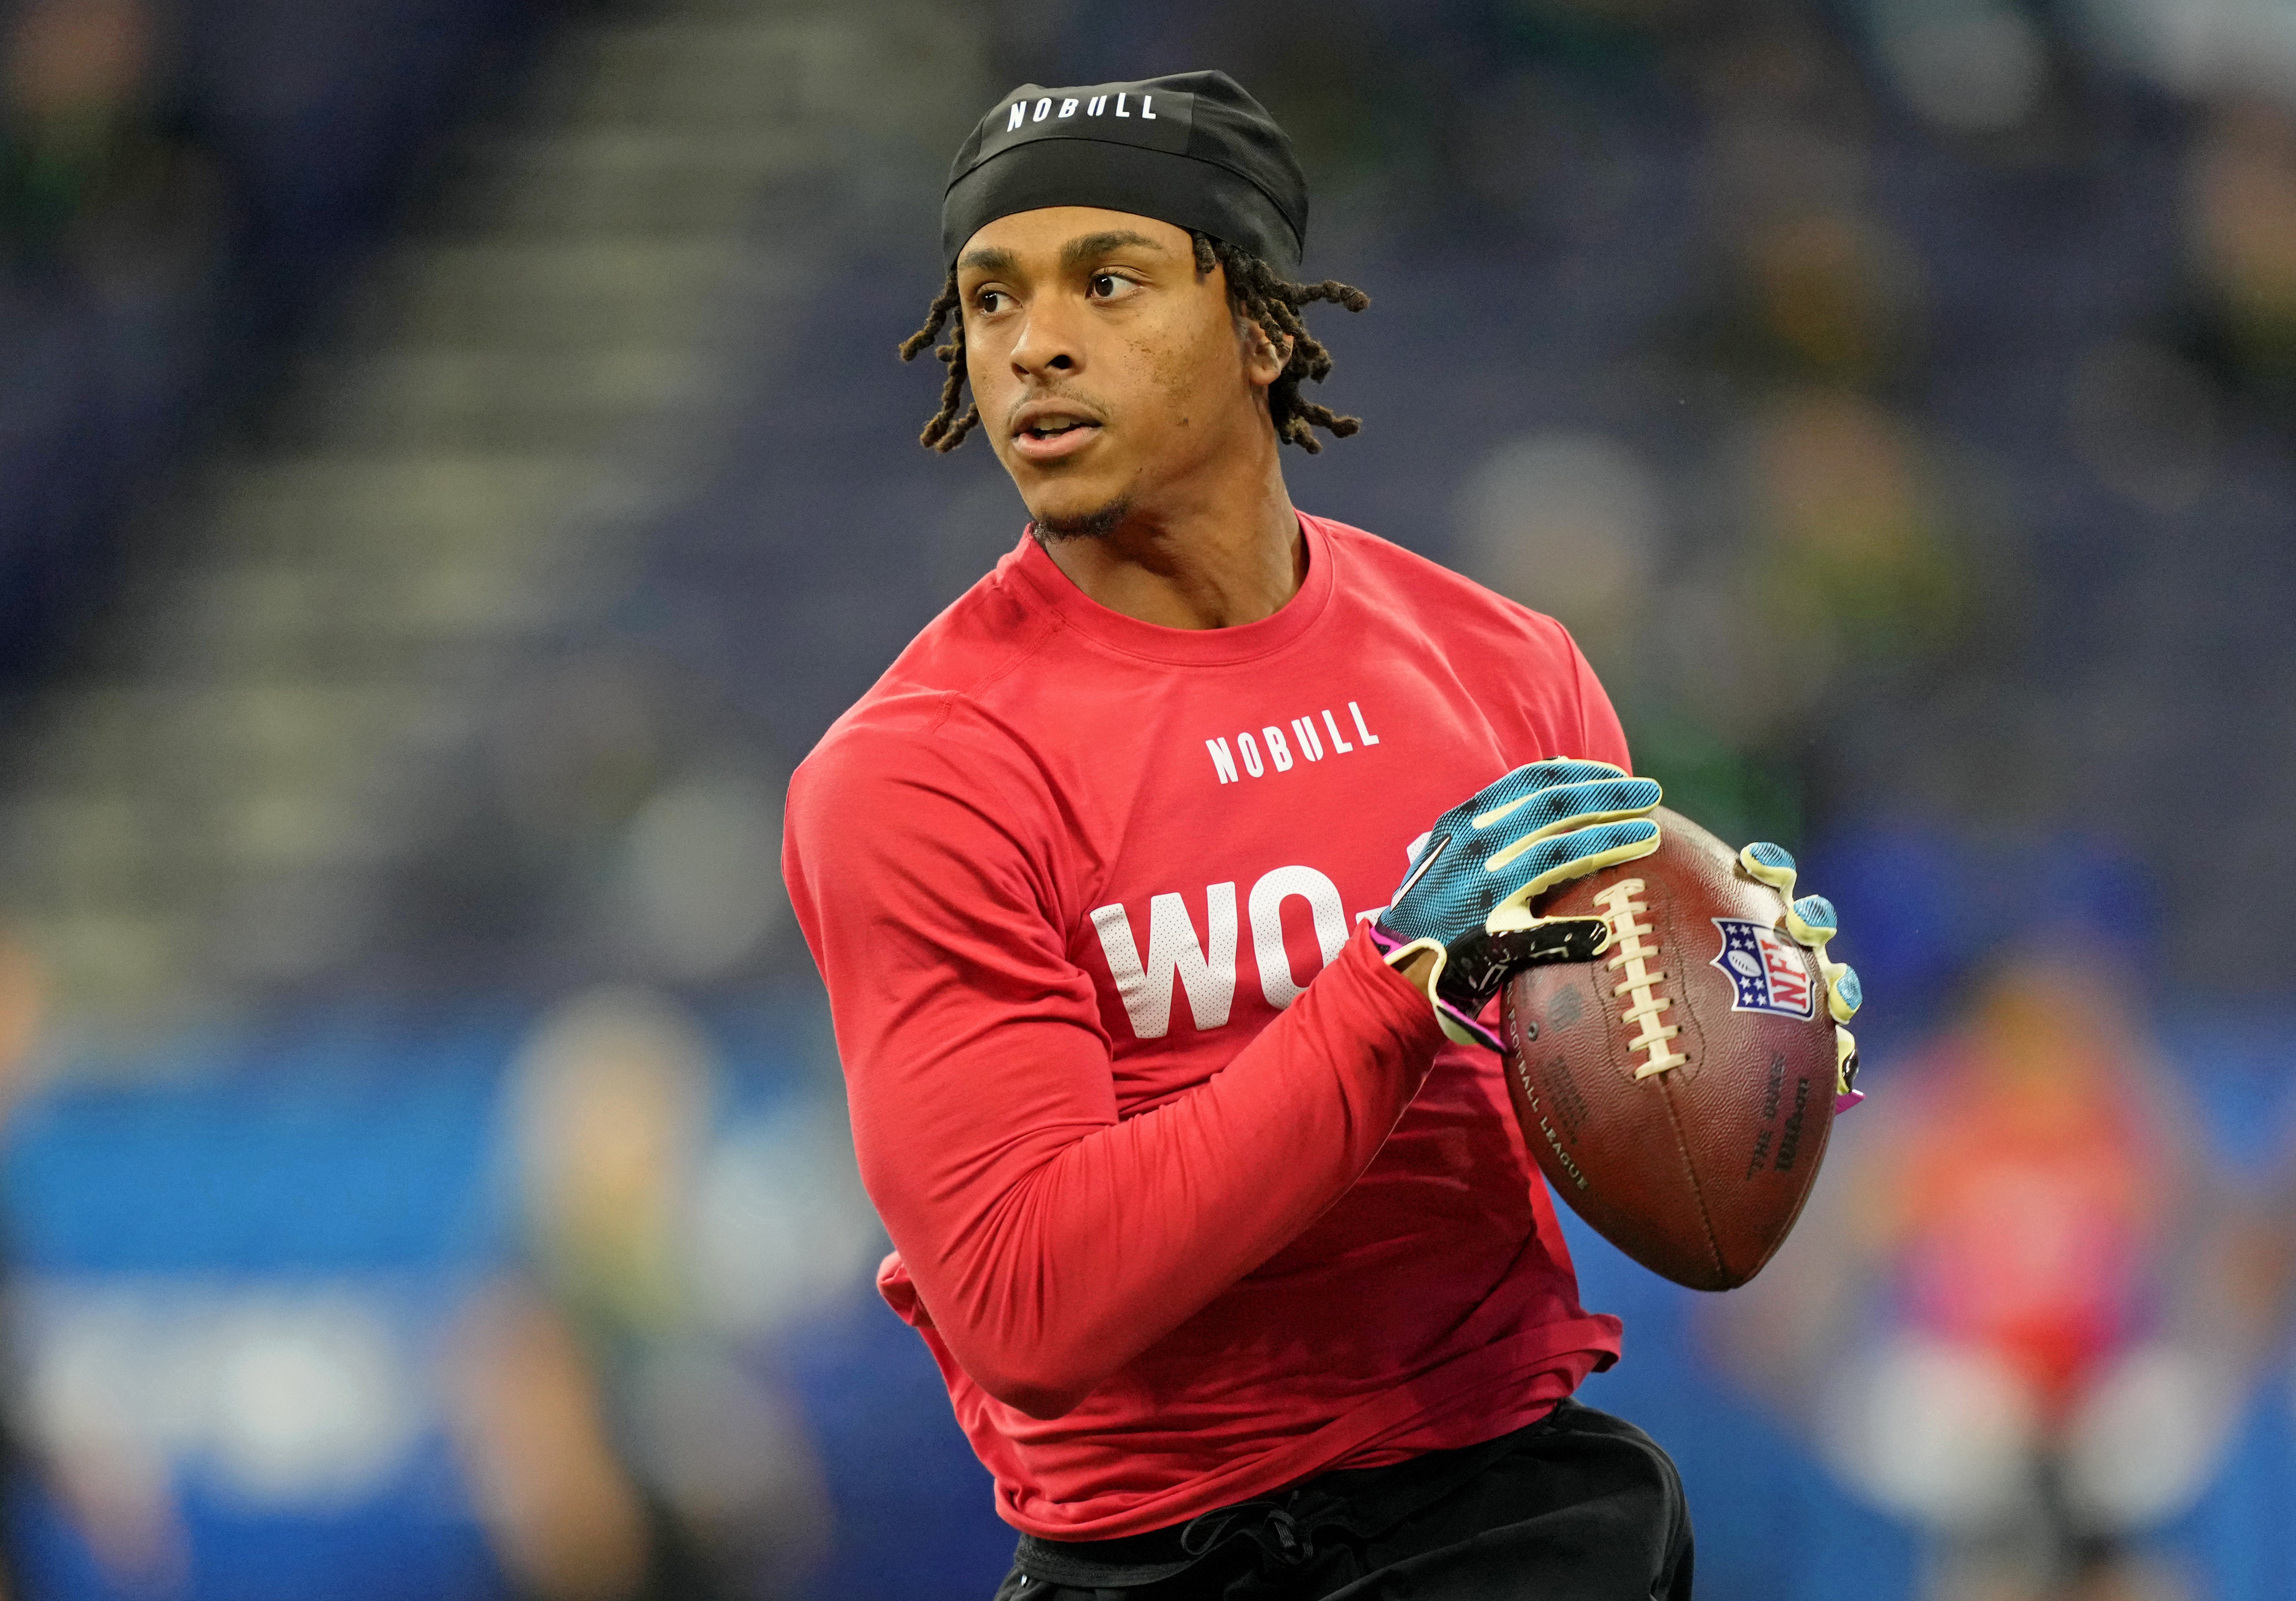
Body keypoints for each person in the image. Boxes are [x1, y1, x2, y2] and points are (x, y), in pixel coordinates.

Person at [782, 71, 1857, 1600]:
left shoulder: (1506, 670)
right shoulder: (919, 771)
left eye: (1108, 280)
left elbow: (1618, 1108)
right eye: (989, 298)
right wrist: (1382, 995)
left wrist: (1740, 1018)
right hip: (1149, 1560)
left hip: (1502, 1509)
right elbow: (1025, 1306)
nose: (1034, 343)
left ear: (1263, 330)